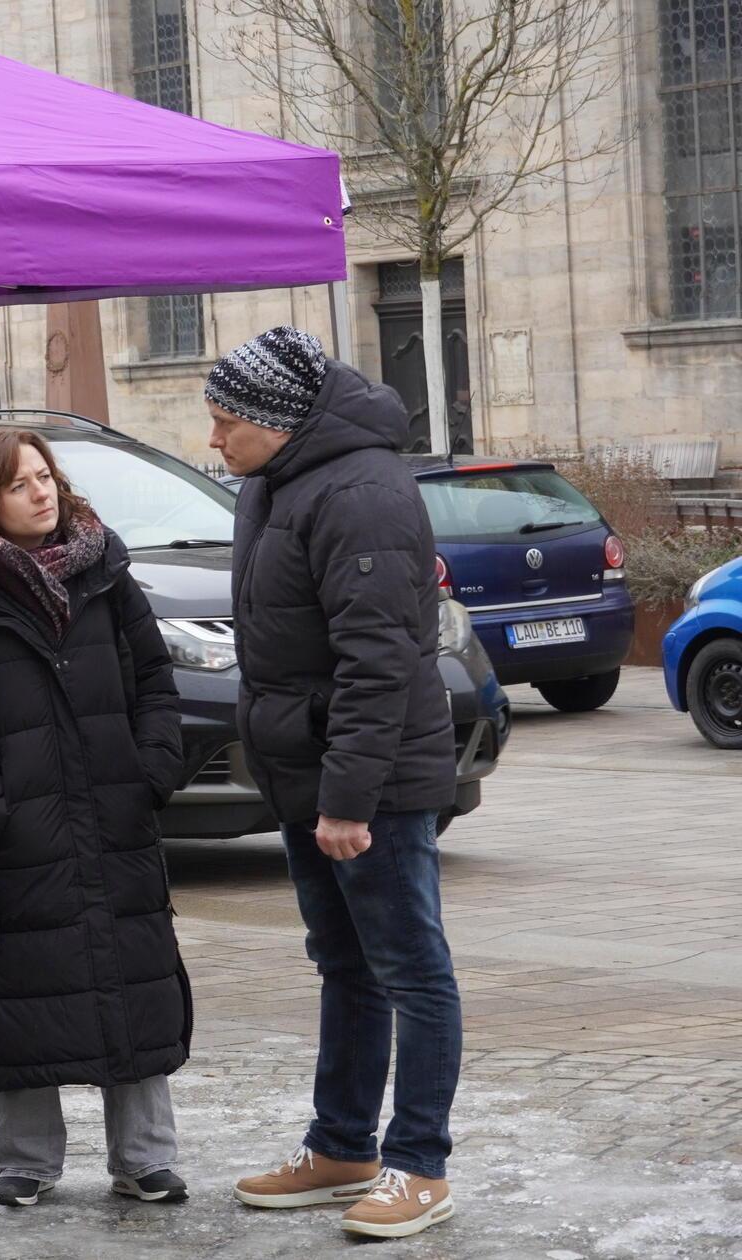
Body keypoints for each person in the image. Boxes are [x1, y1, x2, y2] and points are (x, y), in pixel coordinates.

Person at [209, 327, 461, 1240]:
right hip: (303, 769)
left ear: (277, 420)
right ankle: (342, 1145)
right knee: (344, 964)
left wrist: (349, 800)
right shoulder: (273, 481)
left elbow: (379, 661)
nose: (214, 438)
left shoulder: (364, 493)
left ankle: (420, 1164)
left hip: (372, 781)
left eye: (225, 419)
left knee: (411, 969)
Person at [0, 429, 191, 1209]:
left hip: (116, 813)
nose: (42, 492)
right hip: (17, 831)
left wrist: (151, 773)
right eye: (19, 484)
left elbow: (156, 683)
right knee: (22, 981)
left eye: (46, 476)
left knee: (133, 973)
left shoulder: (106, 573)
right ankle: (26, 1160)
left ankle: (145, 1156)